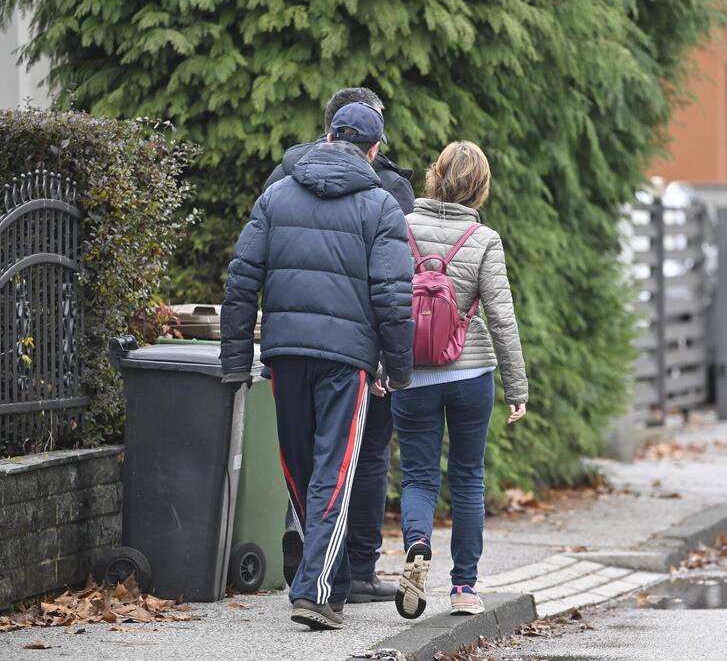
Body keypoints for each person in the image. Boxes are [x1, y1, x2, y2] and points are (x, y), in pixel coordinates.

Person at [221, 102, 413, 630]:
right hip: (347, 362)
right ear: (374, 151)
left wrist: (235, 361)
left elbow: (241, 280)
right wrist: (398, 369)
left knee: (301, 468)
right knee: (333, 470)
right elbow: (393, 297)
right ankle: (319, 590)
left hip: (285, 355)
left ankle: (326, 577)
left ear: (327, 136)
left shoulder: (276, 195)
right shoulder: (381, 206)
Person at [392, 142, 528, 619]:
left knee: (418, 476)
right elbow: (502, 318)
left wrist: (383, 367)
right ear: (481, 188)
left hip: (413, 374)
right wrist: (517, 389)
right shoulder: (484, 238)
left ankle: (417, 544)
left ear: (435, 176)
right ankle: (464, 588)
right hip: (471, 374)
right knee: (468, 477)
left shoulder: (403, 226)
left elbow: (383, 302)